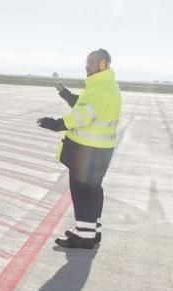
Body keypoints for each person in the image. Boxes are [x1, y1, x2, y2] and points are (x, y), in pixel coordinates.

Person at [37, 49, 122, 249]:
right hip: (99, 150)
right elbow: (84, 106)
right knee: (93, 192)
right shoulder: (104, 86)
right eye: (87, 61)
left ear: (103, 64)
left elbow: (82, 116)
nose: (87, 65)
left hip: (89, 152)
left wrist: (56, 124)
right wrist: (66, 95)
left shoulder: (100, 89)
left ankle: (84, 238)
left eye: (91, 62)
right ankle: (92, 232)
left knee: (83, 193)